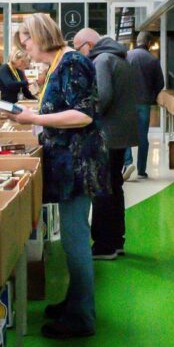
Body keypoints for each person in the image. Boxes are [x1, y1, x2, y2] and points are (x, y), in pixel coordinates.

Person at [5, 13, 107, 339]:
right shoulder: (60, 64)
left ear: (40, 36)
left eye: (27, 43)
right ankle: (75, 302)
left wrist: (35, 118)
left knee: (75, 241)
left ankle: (82, 317)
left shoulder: (72, 63)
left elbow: (82, 115)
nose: (26, 50)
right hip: (68, 164)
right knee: (71, 239)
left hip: (77, 164)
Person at [73, 29, 139, 260]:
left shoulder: (102, 60)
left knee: (101, 189)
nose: (81, 56)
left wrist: (82, 112)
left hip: (106, 135)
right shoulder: (119, 57)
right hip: (120, 134)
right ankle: (116, 241)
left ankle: (103, 245)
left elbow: (102, 96)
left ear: (89, 44)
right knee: (114, 187)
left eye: (79, 50)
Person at [124, 31, 163, 180]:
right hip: (144, 103)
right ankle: (141, 170)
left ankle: (128, 163)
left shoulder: (127, 56)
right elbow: (160, 83)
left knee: (126, 134)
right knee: (142, 137)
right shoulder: (153, 60)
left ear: (138, 41)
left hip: (127, 103)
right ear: (149, 43)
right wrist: (152, 96)